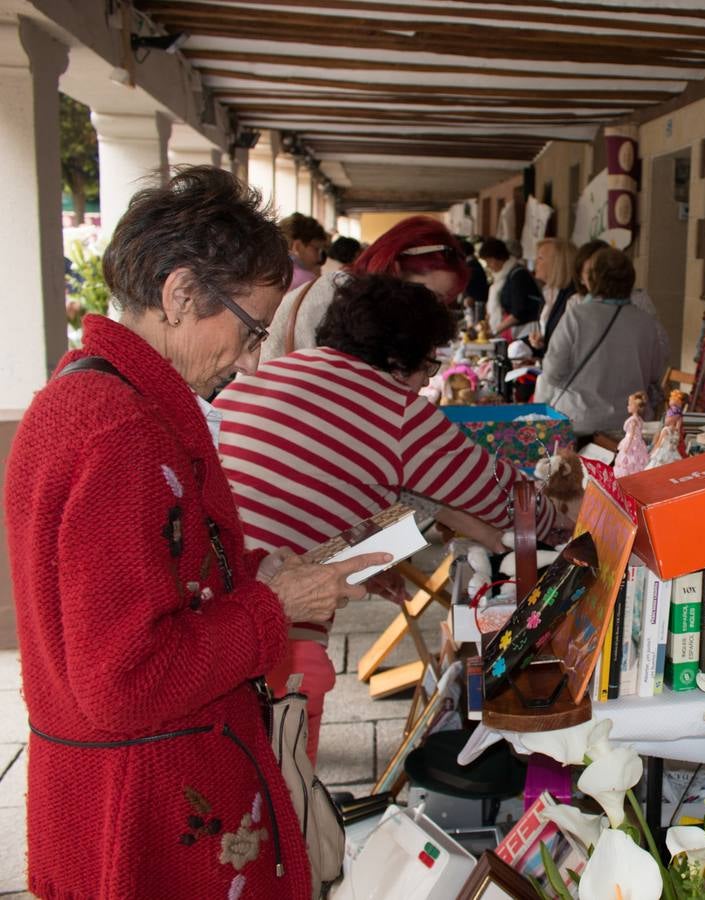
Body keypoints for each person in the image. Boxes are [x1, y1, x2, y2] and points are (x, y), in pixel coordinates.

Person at [5, 167, 385, 899]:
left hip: (105, 787)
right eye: (248, 331)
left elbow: (153, 572)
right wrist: (273, 608)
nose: (248, 363)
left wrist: (255, 571)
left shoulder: (82, 395)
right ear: (180, 295)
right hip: (152, 798)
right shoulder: (122, 433)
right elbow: (128, 679)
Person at [216, 274, 564, 762]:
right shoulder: (394, 411)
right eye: (427, 365)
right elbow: (508, 500)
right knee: (281, 797)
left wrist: (355, 559)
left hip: (213, 612)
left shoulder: (268, 375)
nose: (426, 382)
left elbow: (309, 491)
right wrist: (569, 526)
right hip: (270, 645)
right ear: (398, 359)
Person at [261, 215, 468, 361]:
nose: (432, 311)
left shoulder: (353, 295)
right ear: (396, 268)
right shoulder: (343, 303)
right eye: (432, 297)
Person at [534, 248, 664, 437]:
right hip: (631, 424)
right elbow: (655, 373)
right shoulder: (646, 322)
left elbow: (553, 372)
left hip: (579, 422)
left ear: (593, 279)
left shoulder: (577, 316)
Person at [479, 236, 543, 338]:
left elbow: (518, 312)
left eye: (489, 261)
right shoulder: (506, 276)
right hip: (518, 331)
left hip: (527, 333)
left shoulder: (518, 275)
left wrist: (494, 331)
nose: (488, 266)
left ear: (498, 258)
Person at [527, 237, 579, 356]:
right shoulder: (549, 293)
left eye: (540, 258)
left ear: (558, 263)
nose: (535, 262)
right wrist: (540, 342)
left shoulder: (574, 298)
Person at [279, 211, 328, 291]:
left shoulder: (273, 272)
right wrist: (318, 280)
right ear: (297, 247)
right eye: (316, 249)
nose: (319, 258)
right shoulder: (306, 280)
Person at [613, 391, 651, 477]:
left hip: (631, 443)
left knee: (628, 460)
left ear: (636, 407)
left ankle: (628, 475)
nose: (628, 406)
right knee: (636, 461)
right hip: (638, 443)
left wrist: (627, 446)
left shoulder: (633, 420)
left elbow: (632, 435)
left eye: (630, 404)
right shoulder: (639, 419)